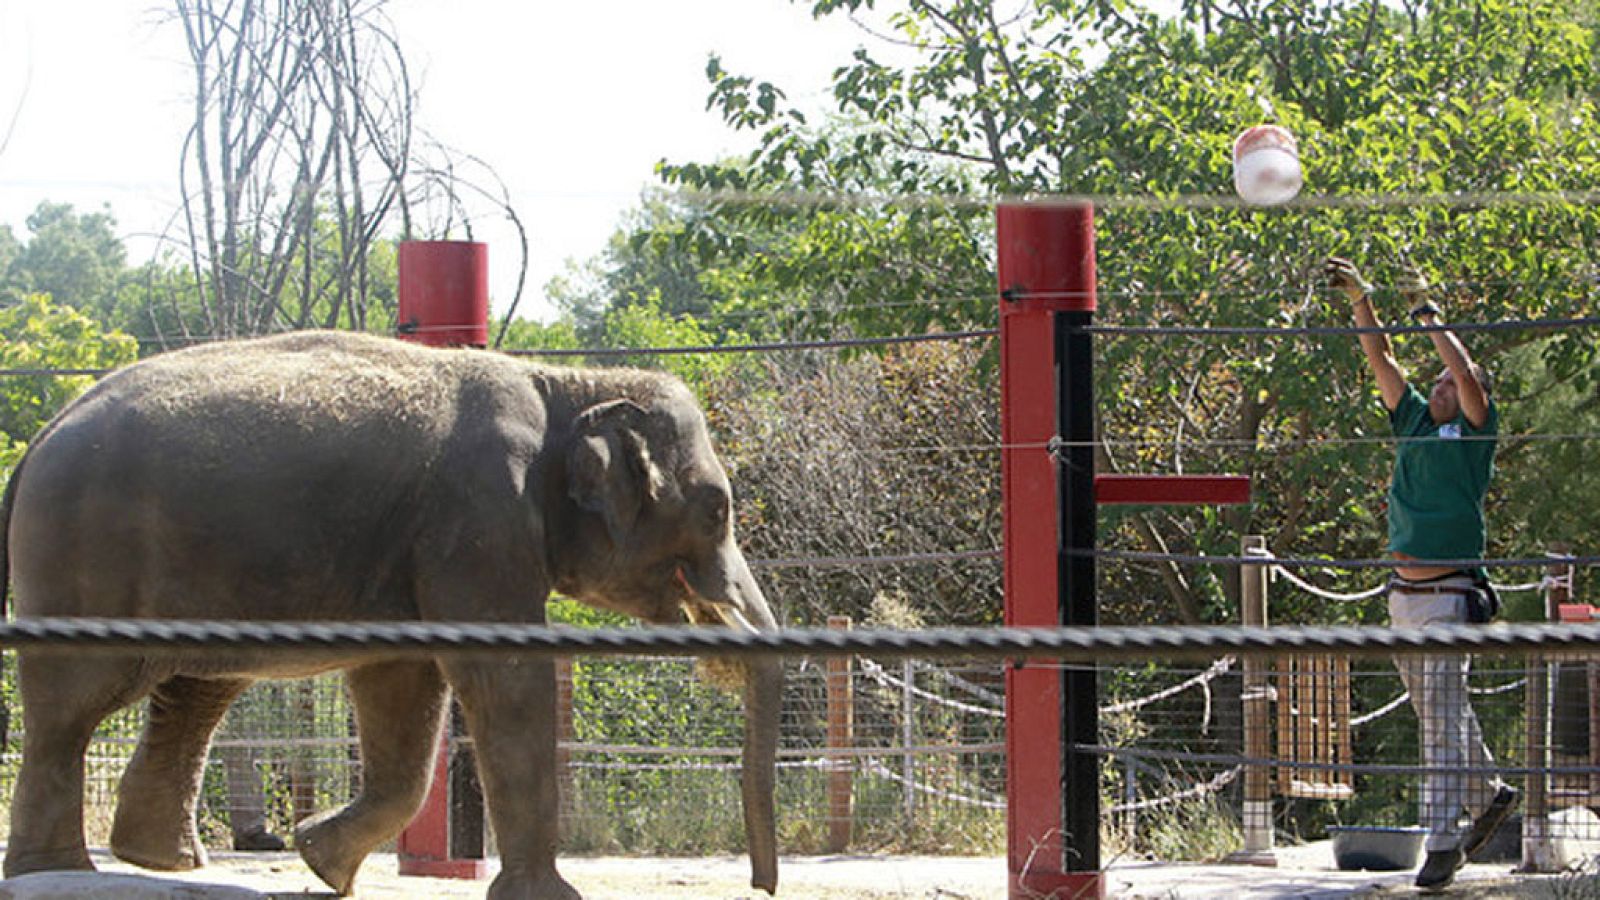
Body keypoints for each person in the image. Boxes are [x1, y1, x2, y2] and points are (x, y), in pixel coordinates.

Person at [1326, 256, 1519, 890]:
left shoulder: (1474, 434)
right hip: (1403, 595)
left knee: (1437, 722)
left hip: (1450, 596)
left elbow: (1465, 373)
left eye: (1445, 384)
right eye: (1432, 383)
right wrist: (1363, 303)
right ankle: (1490, 792)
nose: (1438, 387)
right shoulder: (1410, 420)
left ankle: (1441, 848)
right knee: (1437, 712)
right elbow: (1382, 361)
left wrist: (1429, 315)